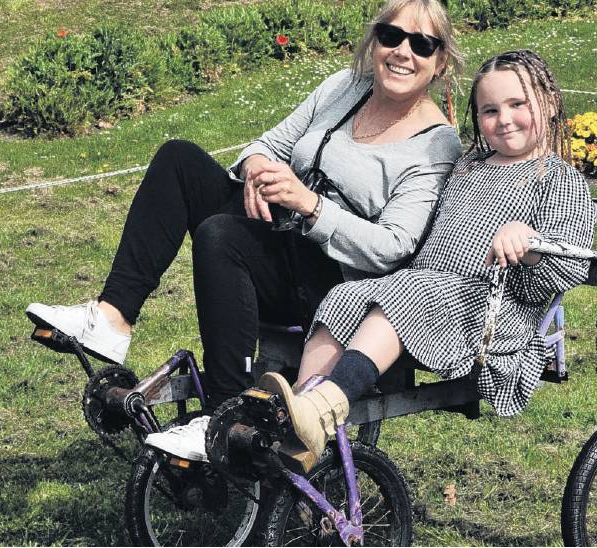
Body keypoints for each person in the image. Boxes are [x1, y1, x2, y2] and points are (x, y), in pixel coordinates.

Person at [25, 0, 464, 460]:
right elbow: (269, 143)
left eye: (421, 43)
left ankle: (221, 415)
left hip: (335, 281)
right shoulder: (347, 87)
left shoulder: (436, 144)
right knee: (179, 160)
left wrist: (310, 205)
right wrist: (256, 166)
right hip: (282, 234)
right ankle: (112, 318)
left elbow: (394, 247)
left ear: (440, 62)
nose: (402, 52)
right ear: (374, 41)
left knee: (221, 235)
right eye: (391, 36)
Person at [257, 49, 597, 472]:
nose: (504, 119)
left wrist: (528, 243)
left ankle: (324, 407)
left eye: (517, 104)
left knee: (410, 290)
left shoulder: (558, 180)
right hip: (433, 289)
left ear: (548, 103)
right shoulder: (469, 166)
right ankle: (303, 412)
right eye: (490, 110)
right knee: (347, 296)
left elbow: (565, 266)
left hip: (491, 308)